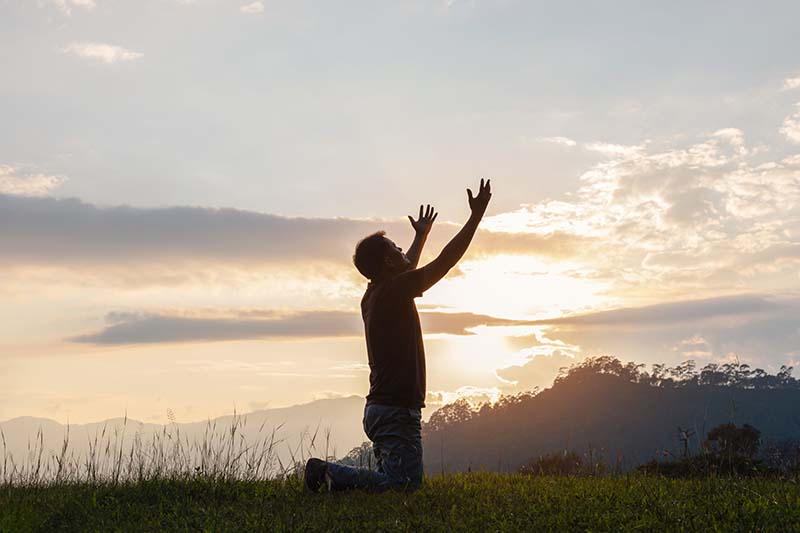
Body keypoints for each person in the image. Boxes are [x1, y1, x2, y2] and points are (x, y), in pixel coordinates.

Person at [305, 178, 492, 492]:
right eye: (396, 248)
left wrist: (421, 236)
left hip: (381, 409)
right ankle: (326, 472)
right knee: (403, 485)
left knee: (390, 484)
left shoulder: (375, 294)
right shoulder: (393, 291)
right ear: (388, 262)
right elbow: (445, 262)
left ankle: (333, 484)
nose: (402, 249)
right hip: (395, 410)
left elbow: (405, 270)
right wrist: (475, 218)